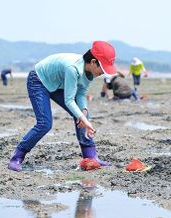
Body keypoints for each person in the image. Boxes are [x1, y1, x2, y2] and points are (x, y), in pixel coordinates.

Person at [8, 41, 117, 172]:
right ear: (93, 62)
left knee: (83, 115)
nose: (103, 73)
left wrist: (84, 112)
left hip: (58, 84)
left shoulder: (90, 73)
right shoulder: (73, 68)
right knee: (44, 124)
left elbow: (81, 93)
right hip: (38, 80)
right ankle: (17, 157)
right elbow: (69, 100)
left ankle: (90, 156)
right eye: (103, 69)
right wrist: (85, 120)